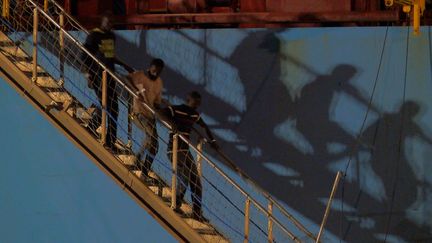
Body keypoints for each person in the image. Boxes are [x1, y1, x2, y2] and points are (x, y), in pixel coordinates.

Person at [162, 91, 219, 221]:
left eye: (199, 103)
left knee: (196, 182)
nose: (197, 105)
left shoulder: (194, 114)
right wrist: (173, 123)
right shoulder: (178, 109)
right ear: (189, 100)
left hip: (185, 150)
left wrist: (213, 141)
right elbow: (161, 113)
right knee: (185, 175)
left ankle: (197, 212)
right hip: (174, 149)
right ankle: (176, 203)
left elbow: (204, 126)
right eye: (196, 102)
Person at [82, 14, 133, 151]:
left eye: (112, 22)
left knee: (114, 108)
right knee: (106, 105)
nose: (110, 24)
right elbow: (84, 55)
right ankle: (92, 127)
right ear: (102, 21)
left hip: (110, 75)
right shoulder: (94, 35)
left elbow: (109, 56)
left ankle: (111, 141)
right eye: (108, 21)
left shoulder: (111, 36)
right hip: (98, 74)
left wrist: (124, 65)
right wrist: (88, 74)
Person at [127, 58, 165, 177]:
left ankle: (138, 159)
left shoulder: (159, 82)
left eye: (158, 72)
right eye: (153, 71)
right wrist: (135, 91)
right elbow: (126, 78)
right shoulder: (139, 75)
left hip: (150, 116)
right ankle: (143, 170)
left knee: (154, 144)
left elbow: (157, 102)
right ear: (149, 68)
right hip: (138, 113)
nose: (155, 74)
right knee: (152, 140)